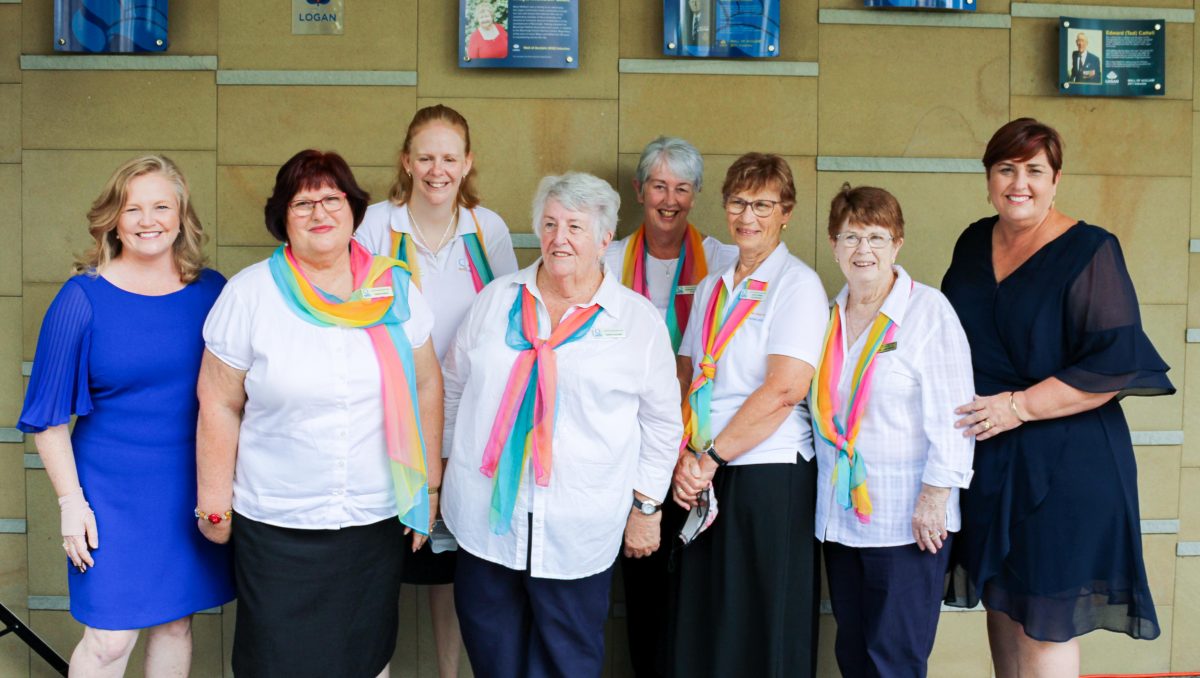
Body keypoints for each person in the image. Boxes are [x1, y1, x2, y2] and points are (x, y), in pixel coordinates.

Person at [196, 149, 443, 678]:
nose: (319, 212)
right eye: (302, 202)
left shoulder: (394, 288)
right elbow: (218, 403)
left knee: (365, 658)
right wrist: (213, 506)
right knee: (276, 663)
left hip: (373, 520)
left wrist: (429, 488)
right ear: (282, 218)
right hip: (278, 525)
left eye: (331, 199)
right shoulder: (249, 295)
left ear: (353, 209)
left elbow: (426, 384)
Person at [941, 118, 1173, 677]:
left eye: (1034, 171)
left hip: (1067, 462)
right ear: (989, 178)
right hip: (991, 459)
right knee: (1003, 607)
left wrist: (1015, 406)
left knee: (1046, 617)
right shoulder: (974, 239)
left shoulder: (1091, 249)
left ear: (1056, 179)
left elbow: (1113, 364)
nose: (1019, 183)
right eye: (1006, 169)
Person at [441, 172, 682, 677]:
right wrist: (444, 470)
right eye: (549, 224)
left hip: (579, 525)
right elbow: (453, 385)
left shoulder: (635, 321)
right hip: (487, 523)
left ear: (603, 239)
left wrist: (646, 507)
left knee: (567, 659)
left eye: (574, 226)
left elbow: (662, 424)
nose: (559, 238)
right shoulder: (496, 301)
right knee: (493, 656)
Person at [18, 155, 234, 677]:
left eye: (161, 205)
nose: (147, 219)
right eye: (132, 208)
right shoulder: (81, 299)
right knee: (110, 641)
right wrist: (72, 504)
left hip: (191, 488)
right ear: (113, 219)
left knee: (176, 624)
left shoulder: (214, 292)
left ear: (182, 215)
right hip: (109, 496)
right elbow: (46, 419)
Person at [356, 103, 518, 678]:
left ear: (467, 162)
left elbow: (509, 321)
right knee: (381, 568)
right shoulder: (377, 225)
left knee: (451, 572)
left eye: (449, 158)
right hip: (391, 422)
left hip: (464, 425)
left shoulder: (487, 228)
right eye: (425, 157)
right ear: (406, 160)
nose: (436, 169)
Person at [669, 153, 829, 677]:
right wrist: (685, 456)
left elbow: (785, 389)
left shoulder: (797, 285)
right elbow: (689, 374)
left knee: (764, 622)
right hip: (707, 471)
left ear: (786, 212)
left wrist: (710, 456)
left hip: (769, 472)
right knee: (711, 617)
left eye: (763, 204)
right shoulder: (715, 286)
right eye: (738, 202)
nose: (748, 216)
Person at [813, 184, 975, 677]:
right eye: (851, 237)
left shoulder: (928, 313)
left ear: (898, 243)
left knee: (895, 657)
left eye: (877, 237)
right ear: (833, 244)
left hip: (907, 522)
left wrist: (934, 500)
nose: (863, 250)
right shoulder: (827, 317)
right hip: (842, 520)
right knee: (855, 653)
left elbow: (956, 415)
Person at [602, 135, 735, 678]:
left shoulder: (725, 261)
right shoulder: (607, 260)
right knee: (645, 587)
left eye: (682, 188)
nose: (670, 198)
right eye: (659, 185)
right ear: (638, 190)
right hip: (628, 451)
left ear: (696, 195)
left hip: (700, 456)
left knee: (701, 591)